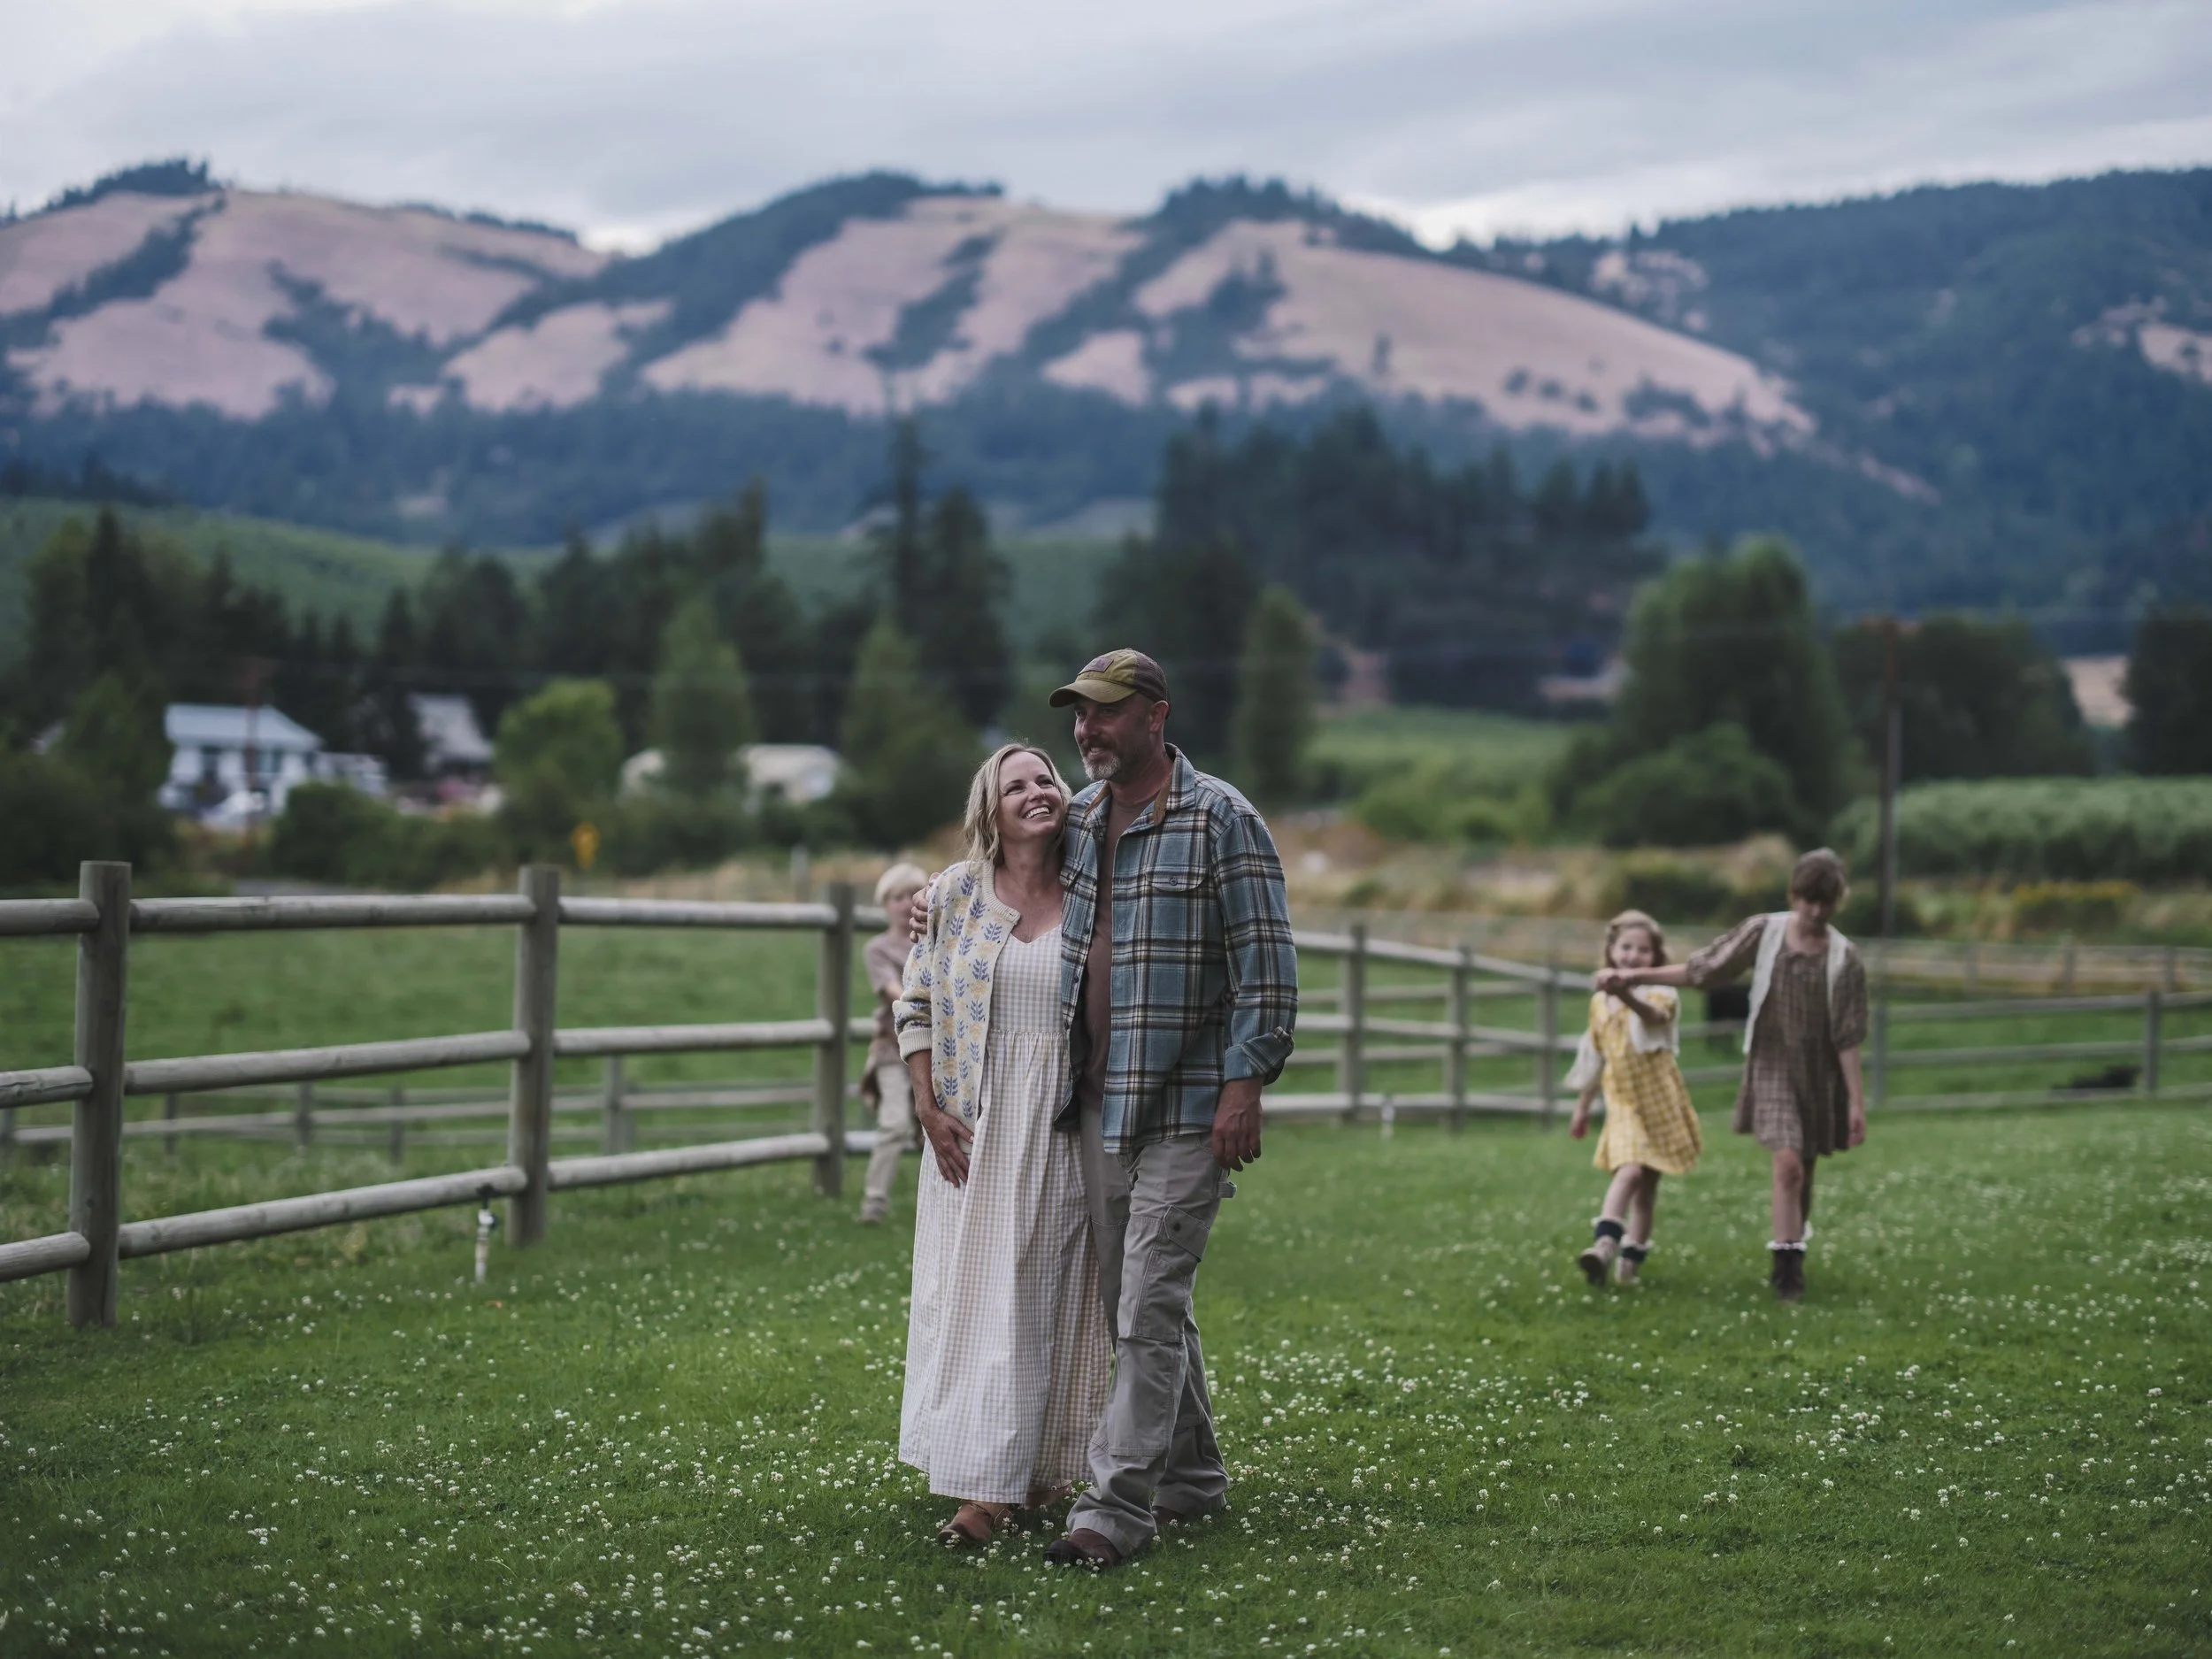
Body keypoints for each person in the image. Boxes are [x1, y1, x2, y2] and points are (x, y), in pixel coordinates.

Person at [1044, 649, 1298, 1570]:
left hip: (1191, 1106)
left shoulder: (1222, 818)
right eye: (1078, 715)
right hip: (1097, 1105)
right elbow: (1001, 898)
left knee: (1146, 1304)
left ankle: (1112, 1510)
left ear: (1155, 715)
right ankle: (1192, 1479)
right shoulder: (1072, 819)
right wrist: (929, 915)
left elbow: (1266, 969)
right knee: (1136, 1302)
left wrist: (1245, 1085)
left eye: (1104, 713)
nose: (1086, 730)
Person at [893, 744, 1110, 1547]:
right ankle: (980, 1489)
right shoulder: (951, 896)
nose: (1035, 791)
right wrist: (926, 1106)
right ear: (991, 808)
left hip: (1059, 1124)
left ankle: (1036, 1469)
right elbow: (914, 1002)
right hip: (973, 1129)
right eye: (1015, 784)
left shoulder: (1095, 889)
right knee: (978, 1301)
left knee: (1047, 1298)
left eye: (1046, 778)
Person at [1599, 848, 1868, 1302]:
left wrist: (1856, 1102)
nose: (1815, 912)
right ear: (1793, 894)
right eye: (1807, 900)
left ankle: (1794, 1242)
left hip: (1818, 1074)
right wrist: (1637, 976)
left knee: (1803, 1169)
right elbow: (1705, 969)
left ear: (1837, 901)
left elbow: (1847, 1035)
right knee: (1786, 1165)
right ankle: (1787, 1273)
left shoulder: (1845, 959)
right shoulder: (1764, 932)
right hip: (1771, 1064)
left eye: (1825, 903)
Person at [1565, 910, 1701, 1286]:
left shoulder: (1661, 993)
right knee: (1630, 1170)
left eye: (1642, 950)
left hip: (1659, 1101)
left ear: (1655, 957)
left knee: (1647, 1190)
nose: (1632, 956)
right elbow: (1594, 1057)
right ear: (1611, 951)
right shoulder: (1599, 1004)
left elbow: (1654, 1018)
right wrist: (1581, 1108)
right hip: (1622, 1102)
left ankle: (1629, 1265)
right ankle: (1604, 1246)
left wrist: (1626, 991)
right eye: (1625, 947)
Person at [856, 863, 928, 1225]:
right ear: (885, 904)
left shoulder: (937, 941)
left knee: (936, 1126)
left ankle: (940, 1206)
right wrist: (924, 1001)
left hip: (934, 1046)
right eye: (896, 897)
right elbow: (891, 991)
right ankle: (874, 1202)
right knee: (895, 1123)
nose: (903, 904)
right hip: (892, 1048)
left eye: (910, 895)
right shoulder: (878, 949)